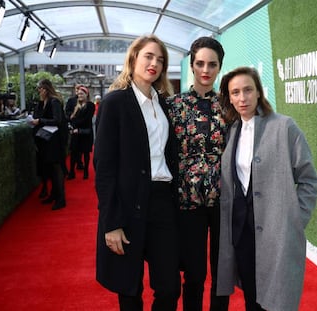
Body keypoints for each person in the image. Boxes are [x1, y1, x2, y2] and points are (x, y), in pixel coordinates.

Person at [216, 67, 317, 311]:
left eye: (248, 90)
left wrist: (294, 219)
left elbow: (309, 180)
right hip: (242, 233)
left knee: (276, 299)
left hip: (276, 232)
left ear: (259, 92)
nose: (243, 98)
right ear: (229, 97)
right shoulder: (232, 131)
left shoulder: (284, 127)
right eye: (236, 92)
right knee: (252, 297)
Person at [94, 34, 181, 311]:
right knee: (130, 289)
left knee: (169, 287)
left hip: (162, 202)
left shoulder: (164, 104)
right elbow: (103, 167)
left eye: (160, 59)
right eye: (148, 56)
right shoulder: (115, 103)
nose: (154, 63)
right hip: (128, 203)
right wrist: (111, 222)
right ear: (133, 58)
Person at [167, 37, 229, 311]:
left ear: (219, 68)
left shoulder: (229, 107)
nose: (206, 69)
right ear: (191, 65)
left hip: (224, 201)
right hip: (186, 202)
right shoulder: (173, 106)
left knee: (222, 272)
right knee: (193, 274)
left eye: (212, 64)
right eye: (200, 63)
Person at [30, 79, 68, 210]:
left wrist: (40, 121)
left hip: (54, 140)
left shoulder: (54, 101)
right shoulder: (43, 103)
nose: (38, 91)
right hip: (46, 140)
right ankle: (54, 194)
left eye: (39, 88)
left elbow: (57, 120)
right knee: (50, 169)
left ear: (45, 89)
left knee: (57, 168)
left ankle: (61, 198)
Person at [67, 85, 95, 180]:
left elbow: (86, 119)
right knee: (73, 152)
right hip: (76, 133)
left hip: (85, 133)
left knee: (86, 153)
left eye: (81, 94)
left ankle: (86, 171)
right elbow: (71, 118)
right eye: (78, 94)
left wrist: (75, 124)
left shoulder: (90, 105)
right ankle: (71, 172)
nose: (80, 96)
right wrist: (73, 124)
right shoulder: (76, 106)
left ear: (86, 94)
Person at [65, 84, 84, 170]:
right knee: (73, 147)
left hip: (81, 125)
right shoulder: (71, 100)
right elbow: (67, 111)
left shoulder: (84, 101)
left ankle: (79, 162)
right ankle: (74, 165)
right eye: (77, 89)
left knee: (80, 146)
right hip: (73, 124)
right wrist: (71, 116)